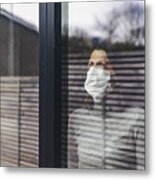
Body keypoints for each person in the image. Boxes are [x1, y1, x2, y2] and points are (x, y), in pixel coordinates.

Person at [67, 49, 145, 169]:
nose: (94, 71)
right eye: (91, 65)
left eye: (101, 65)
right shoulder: (77, 119)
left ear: (114, 72)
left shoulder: (137, 118)